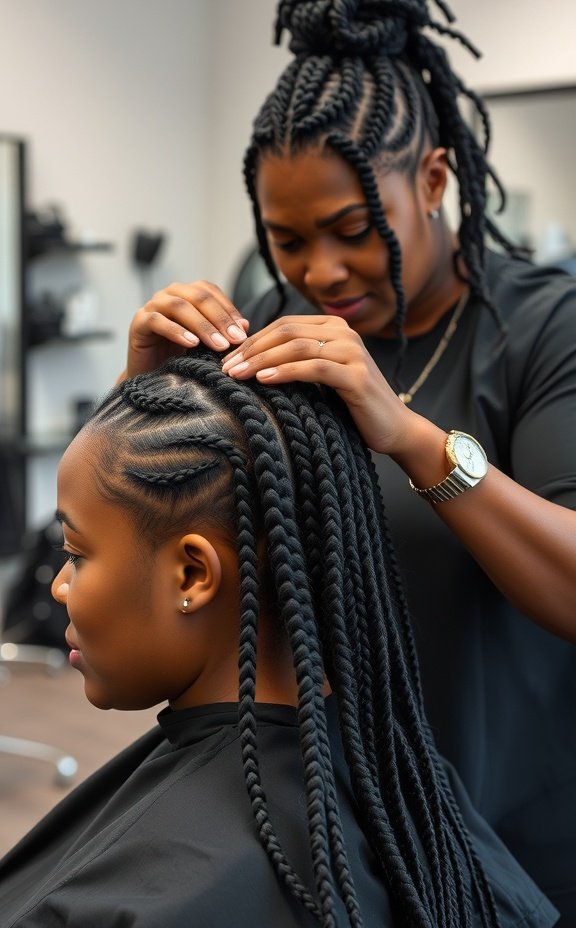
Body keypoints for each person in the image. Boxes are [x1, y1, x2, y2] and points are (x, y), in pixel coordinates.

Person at [118, 0, 576, 924]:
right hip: (333, 836)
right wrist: (143, 399)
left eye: (355, 230)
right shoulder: (279, 333)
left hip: (508, 846)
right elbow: (182, 579)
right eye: (288, 240)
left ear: (438, 180)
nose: (321, 273)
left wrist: (409, 437)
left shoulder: (541, 330)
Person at [0, 348, 559, 927]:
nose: (61, 587)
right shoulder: (404, 780)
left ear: (193, 575)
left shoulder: (164, 892)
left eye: (76, 554)